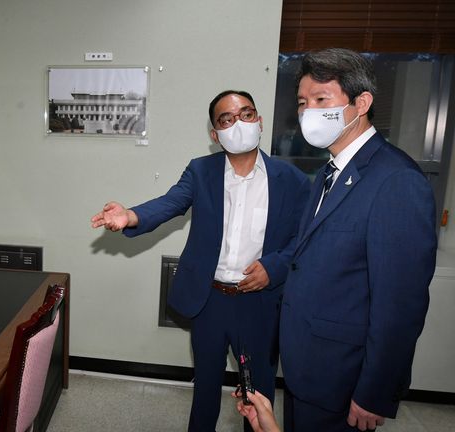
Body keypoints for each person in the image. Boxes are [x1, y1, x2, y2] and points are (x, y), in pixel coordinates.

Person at [91, 90, 310, 431]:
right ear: (215, 134)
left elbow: (303, 239)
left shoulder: (292, 180)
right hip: (210, 300)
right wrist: (131, 215)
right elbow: (170, 203)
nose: (238, 123)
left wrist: (274, 267)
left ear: (259, 121)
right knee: (206, 387)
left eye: (246, 114)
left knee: (258, 393)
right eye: (226, 119)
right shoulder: (201, 171)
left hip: (260, 304)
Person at [279, 48, 437, 431]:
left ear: (361, 102)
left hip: (344, 377)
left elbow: (400, 304)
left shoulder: (396, 180)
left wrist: (375, 391)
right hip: (307, 366)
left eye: (321, 100)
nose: (308, 112)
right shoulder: (329, 173)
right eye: (302, 102)